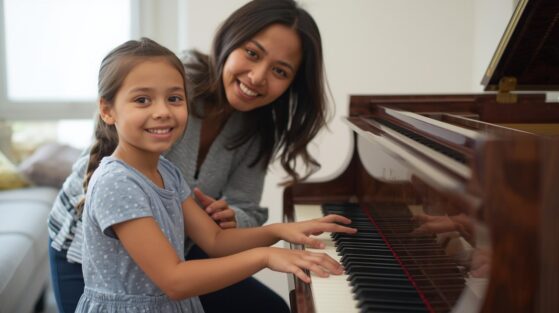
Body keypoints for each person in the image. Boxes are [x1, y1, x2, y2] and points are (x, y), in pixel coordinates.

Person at [47, 0, 330, 312]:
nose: (258, 76)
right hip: (91, 256)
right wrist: (265, 255)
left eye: (280, 70)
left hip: (175, 251)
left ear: (292, 83)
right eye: (252, 53)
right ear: (229, 40)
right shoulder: (169, 84)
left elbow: (220, 235)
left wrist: (269, 228)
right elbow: (175, 278)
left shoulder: (173, 169)